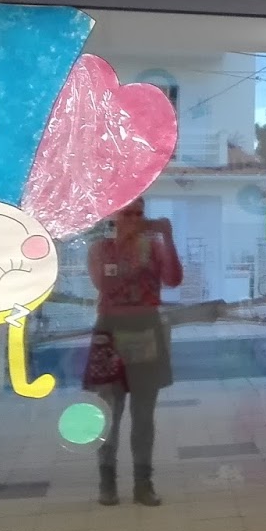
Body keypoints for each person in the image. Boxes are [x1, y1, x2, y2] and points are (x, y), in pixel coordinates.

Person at [84, 199, 182, 506]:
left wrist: (168, 238)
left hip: (146, 328)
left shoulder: (154, 247)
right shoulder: (100, 248)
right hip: (110, 332)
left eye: (140, 214)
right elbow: (105, 284)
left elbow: (174, 279)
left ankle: (143, 483)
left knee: (144, 415)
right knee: (109, 412)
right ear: (115, 216)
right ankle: (107, 482)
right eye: (128, 214)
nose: (135, 219)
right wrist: (125, 244)